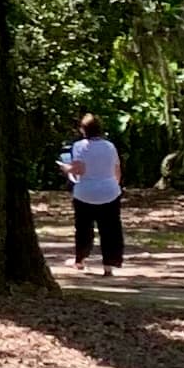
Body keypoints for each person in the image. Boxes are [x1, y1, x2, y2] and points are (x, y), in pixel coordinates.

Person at [58, 112, 125, 271]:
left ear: (83, 130)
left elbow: (79, 170)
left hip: (85, 192)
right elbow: (117, 169)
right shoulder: (110, 146)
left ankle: (80, 259)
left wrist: (65, 168)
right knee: (111, 229)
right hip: (109, 191)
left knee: (83, 228)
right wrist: (115, 185)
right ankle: (109, 264)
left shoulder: (80, 146)